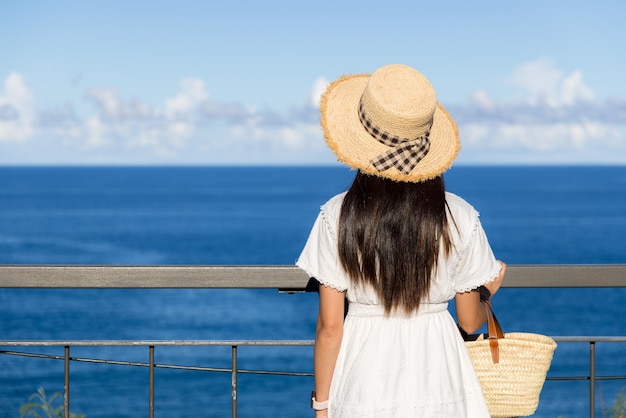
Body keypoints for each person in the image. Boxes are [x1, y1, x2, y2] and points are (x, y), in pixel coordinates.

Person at [296, 64, 506, 417]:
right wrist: (486, 289)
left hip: (365, 365)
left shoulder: (337, 214)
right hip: (438, 365)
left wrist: (322, 406)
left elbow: (330, 328)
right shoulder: (459, 215)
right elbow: (470, 323)